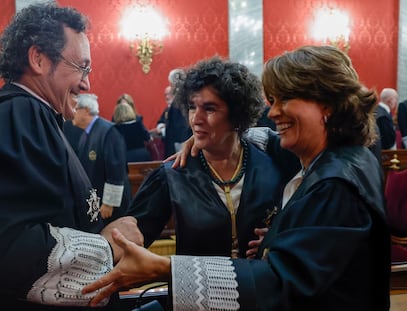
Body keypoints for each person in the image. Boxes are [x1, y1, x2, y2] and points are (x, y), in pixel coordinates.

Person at [83, 46, 391, 311]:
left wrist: (168, 269)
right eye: (192, 107)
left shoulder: (329, 180)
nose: (274, 112)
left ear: (327, 104)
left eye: (285, 99)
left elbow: (283, 281)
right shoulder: (349, 157)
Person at [0, 2, 143, 309]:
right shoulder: (21, 114)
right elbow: (11, 247)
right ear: (38, 58)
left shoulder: (35, 113)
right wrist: (107, 246)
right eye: (81, 67)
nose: (86, 83)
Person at [127, 56, 299, 258]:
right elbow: (131, 238)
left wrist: (278, 238)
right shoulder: (174, 174)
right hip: (195, 288)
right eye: (192, 107)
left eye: (209, 109)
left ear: (237, 114)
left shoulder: (274, 161)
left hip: (261, 287)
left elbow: (307, 223)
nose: (196, 119)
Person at [68, 93, 131, 224]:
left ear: (85, 110)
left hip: (111, 208)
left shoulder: (108, 132)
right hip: (97, 202)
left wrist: (109, 203)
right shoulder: (87, 133)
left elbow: (116, 168)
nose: (72, 112)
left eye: (75, 108)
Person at [156, 69, 192, 158]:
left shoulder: (178, 103)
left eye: (171, 84)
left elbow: (179, 127)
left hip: (179, 144)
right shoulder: (185, 99)